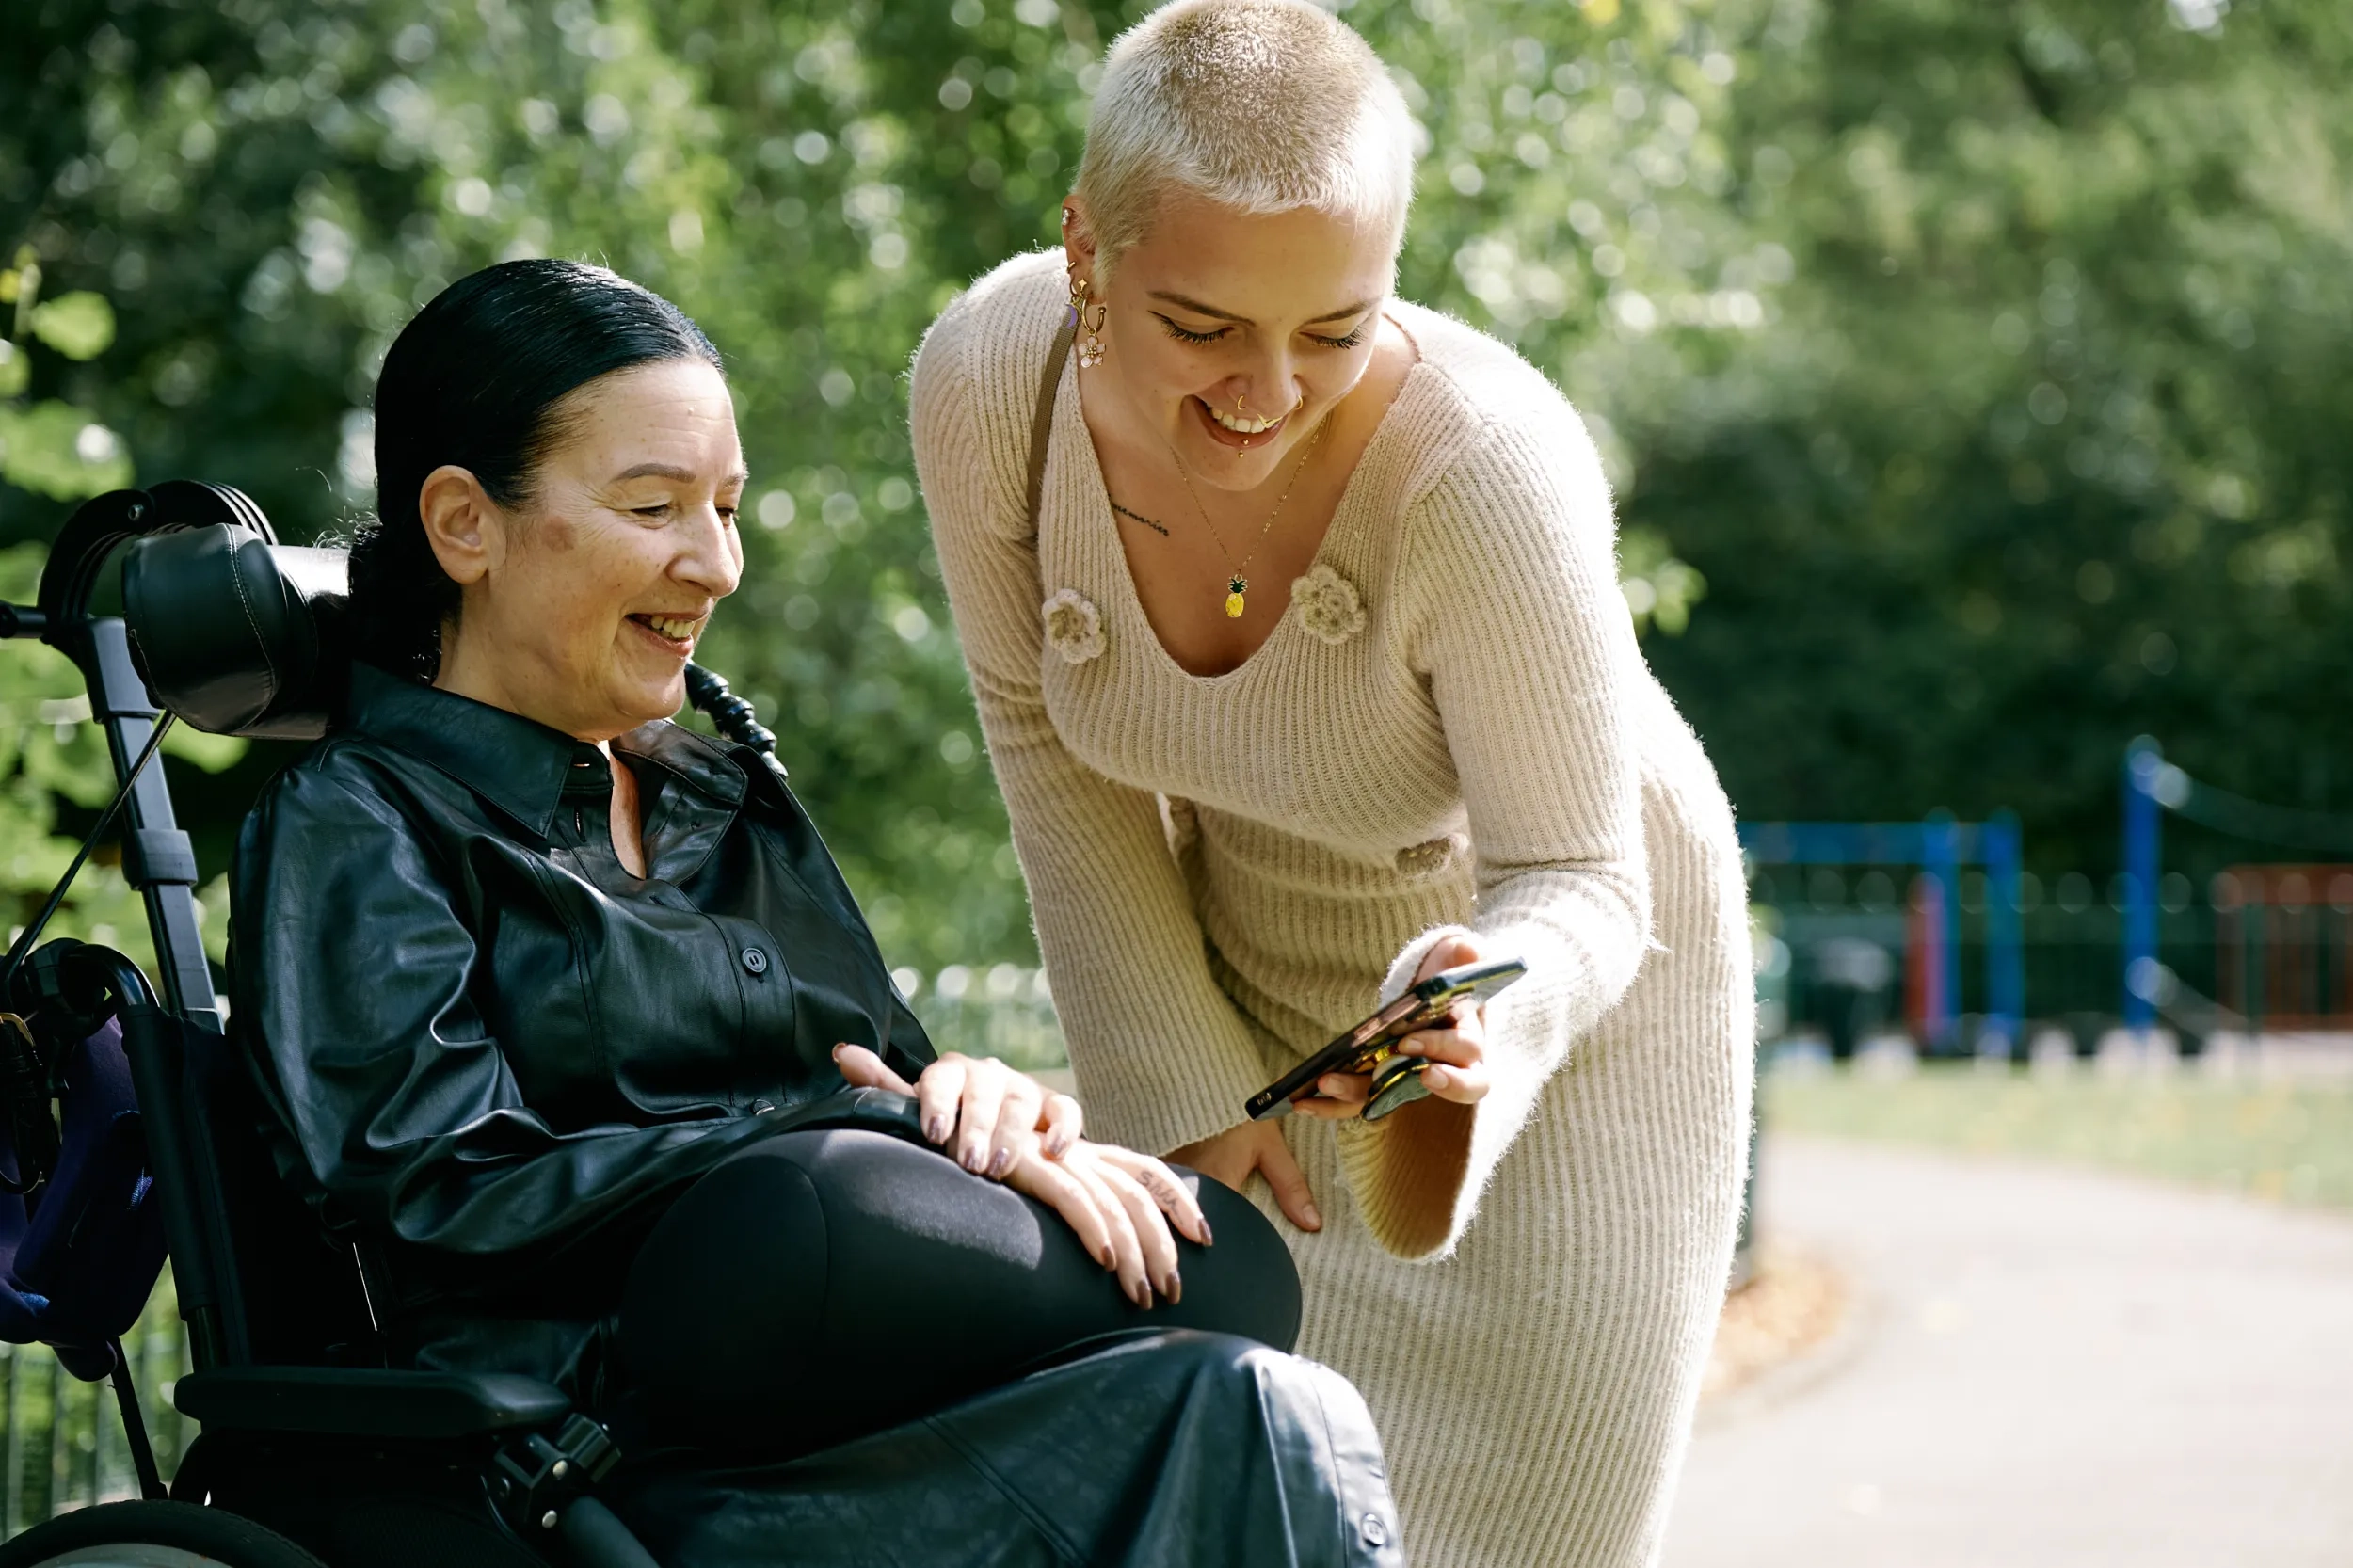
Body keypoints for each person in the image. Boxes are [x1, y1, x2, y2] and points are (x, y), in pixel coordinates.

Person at [231, 257, 1402, 1568]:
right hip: (594, 1439)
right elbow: (440, 1183)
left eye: (728, 508)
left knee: (1235, 1317)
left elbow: (883, 1077)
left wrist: (977, 1101)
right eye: (656, 506)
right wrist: (815, 1126)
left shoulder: (721, 792)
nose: (716, 564)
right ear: (463, 522)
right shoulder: (361, 814)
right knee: (807, 1204)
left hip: (843, 1377)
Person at [906, 2, 1754, 1563]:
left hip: (1547, 1019)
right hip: (1241, 972)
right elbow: (1046, 748)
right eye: (1204, 327)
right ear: (1087, 253)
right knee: (1244, 1511)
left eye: (1334, 331)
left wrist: (1467, 1022)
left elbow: (1583, 872)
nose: (1267, 394)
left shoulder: (1487, 471)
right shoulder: (989, 389)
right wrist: (1183, 1097)